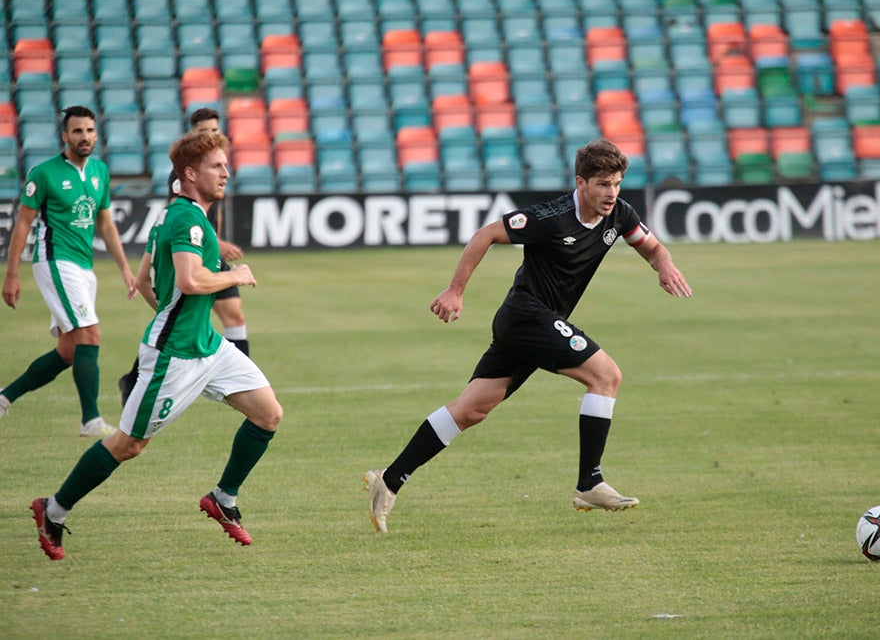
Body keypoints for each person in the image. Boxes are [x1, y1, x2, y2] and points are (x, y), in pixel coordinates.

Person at [364, 139, 692, 534]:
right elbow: (485, 234)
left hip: (531, 324)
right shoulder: (550, 217)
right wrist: (455, 291)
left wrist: (664, 266)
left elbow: (653, 248)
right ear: (581, 182)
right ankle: (589, 482)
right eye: (603, 184)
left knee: (472, 409)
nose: (612, 193)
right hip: (526, 316)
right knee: (605, 376)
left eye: (617, 183)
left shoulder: (619, 214)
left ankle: (390, 479)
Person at [31, 130, 283, 560]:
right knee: (129, 445)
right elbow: (190, 281)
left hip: (207, 345)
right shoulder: (186, 219)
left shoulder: (175, 215)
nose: (227, 172)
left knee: (268, 414)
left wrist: (169, 313)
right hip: (174, 357)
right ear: (189, 173)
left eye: (226, 165)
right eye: (216, 167)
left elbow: (143, 280)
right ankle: (52, 509)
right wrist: (235, 276)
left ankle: (223, 498)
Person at [1, 106, 136, 437]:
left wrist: (125, 269)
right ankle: (90, 421)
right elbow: (23, 223)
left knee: (69, 350)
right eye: (77, 131)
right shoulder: (44, 173)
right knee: (90, 334)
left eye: (89, 130)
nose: (85, 137)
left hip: (83, 266)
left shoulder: (99, 172)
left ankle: (4, 399)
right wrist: (12, 273)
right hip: (55, 260)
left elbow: (104, 222)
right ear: (65, 136)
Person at [117, 108, 251, 407]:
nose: (212, 136)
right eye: (205, 132)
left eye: (216, 131)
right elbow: (184, 216)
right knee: (178, 315)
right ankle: (137, 375)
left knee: (234, 315)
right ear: (192, 135)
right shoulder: (185, 176)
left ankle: (237, 379)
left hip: (208, 252)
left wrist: (216, 245)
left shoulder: (217, 168)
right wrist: (218, 244)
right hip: (188, 250)